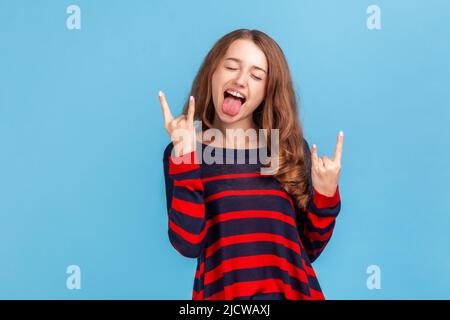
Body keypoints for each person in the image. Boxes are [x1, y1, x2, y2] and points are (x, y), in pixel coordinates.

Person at [159, 29, 344, 300]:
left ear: (267, 90)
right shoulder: (184, 151)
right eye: (231, 67)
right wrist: (185, 159)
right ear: (212, 72)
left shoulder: (285, 149)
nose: (240, 80)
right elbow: (187, 244)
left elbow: (308, 249)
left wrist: (326, 197)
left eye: (256, 75)